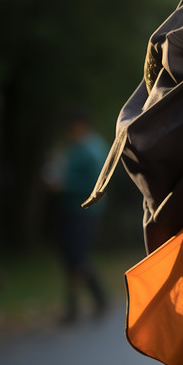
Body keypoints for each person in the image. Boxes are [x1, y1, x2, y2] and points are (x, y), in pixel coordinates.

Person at [48, 106, 109, 324]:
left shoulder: (92, 149)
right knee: (73, 256)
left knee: (77, 256)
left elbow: (95, 185)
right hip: (70, 209)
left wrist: (63, 185)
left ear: (80, 125)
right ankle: (97, 300)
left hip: (85, 210)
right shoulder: (75, 148)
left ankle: (75, 307)